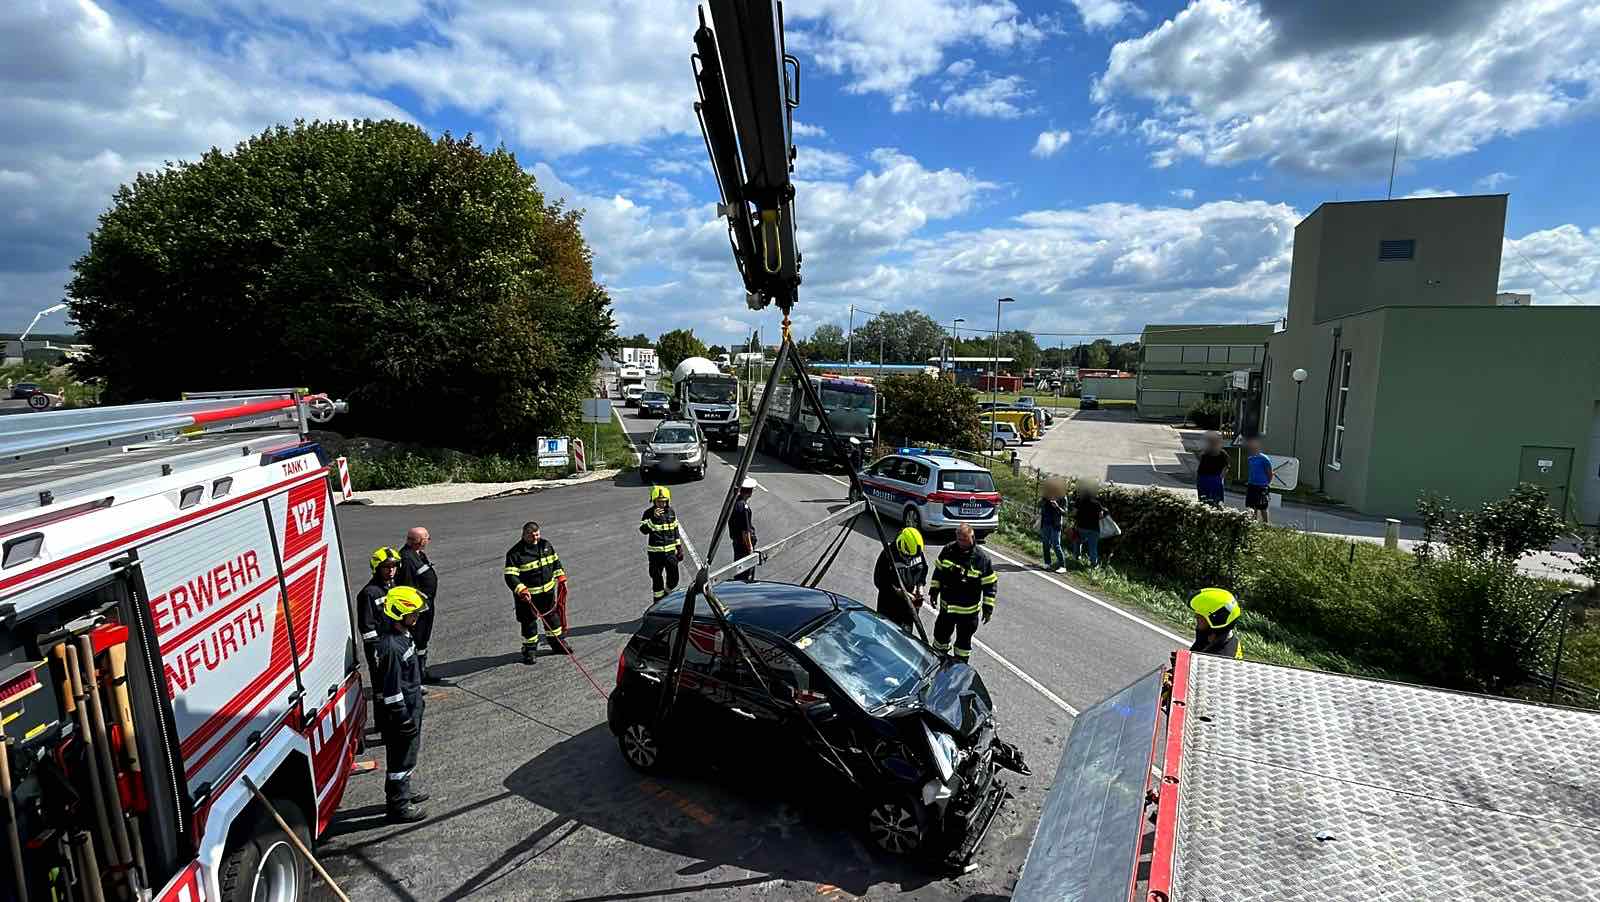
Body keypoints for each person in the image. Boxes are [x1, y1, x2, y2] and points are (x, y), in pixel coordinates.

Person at [374, 586, 430, 823]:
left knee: (408, 754)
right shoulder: (391, 648)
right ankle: (399, 806)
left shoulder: (403, 636)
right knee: (400, 758)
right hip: (401, 713)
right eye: (413, 613)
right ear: (398, 613)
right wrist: (402, 718)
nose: (416, 616)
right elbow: (392, 691)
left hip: (411, 705)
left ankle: (404, 790)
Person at [928, 524, 997, 661]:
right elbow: (939, 572)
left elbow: (990, 585)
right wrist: (934, 591)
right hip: (946, 609)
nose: (961, 543)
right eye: (959, 539)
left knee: (963, 646)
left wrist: (988, 608)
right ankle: (937, 663)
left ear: (972, 537)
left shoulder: (981, 559)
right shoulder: (948, 550)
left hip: (968, 614)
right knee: (940, 639)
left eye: (964, 540)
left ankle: (959, 667)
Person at [504, 521, 570, 662]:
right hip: (528, 598)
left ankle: (558, 645)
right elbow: (510, 576)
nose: (535, 538)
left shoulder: (546, 545)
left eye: (537, 534)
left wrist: (561, 576)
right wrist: (521, 589)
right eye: (532, 536)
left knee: (553, 621)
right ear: (524, 535)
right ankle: (530, 650)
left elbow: (555, 562)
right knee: (529, 624)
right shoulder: (515, 553)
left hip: (547, 594)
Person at [357, 547, 402, 722]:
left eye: (394, 566)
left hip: (396, 643)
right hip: (380, 649)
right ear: (377, 568)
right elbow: (367, 627)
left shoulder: (394, 586)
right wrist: (377, 652)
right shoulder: (369, 593)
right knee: (382, 690)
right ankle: (383, 726)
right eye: (386, 566)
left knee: (396, 684)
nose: (391, 570)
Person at [397, 526, 439, 683]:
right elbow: (408, 587)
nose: (429, 540)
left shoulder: (419, 555)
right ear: (420, 541)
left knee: (423, 640)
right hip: (417, 610)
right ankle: (414, 676)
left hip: (426, 607)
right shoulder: (407, 559)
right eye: (427, 538)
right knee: (416, 640)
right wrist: (414, 610)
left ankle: (422, 672)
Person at [874, 527, 929, 633]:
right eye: (908, 555)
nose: (909, 559)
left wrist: (920, 586)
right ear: (902, 545)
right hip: (888, 607)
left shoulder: (916, 552)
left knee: (904, 640)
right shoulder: (887, 556)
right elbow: (880, 581)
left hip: (908, 609)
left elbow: (923, 569)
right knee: (884, 636)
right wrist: (900, 593)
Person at [640, 485, 685, 605]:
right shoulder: (648, 513)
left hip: (670, 554)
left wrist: (679, 547)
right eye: (659, 501)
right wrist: (653, 519)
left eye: (664, 501)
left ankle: (666, 594)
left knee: (674, 579)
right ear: (653, 501)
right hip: (655, 554)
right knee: (657, 580)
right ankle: (658, 604)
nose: (662, 504)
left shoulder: (671, 512)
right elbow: (643, 530)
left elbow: (675, 530)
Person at [1189, 587, 1243, 658]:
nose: (1196, 616)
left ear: (1217, 621)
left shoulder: (1218, 658)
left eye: (1200, 616)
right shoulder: (1212, 639)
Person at [729, 477, 758, 581]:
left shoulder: (735, 502)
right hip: (743, 545)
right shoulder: (743, 507)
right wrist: (750, 548)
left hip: (737, 543)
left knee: (739, 569)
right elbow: (745, 531)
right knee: (745, 572)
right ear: (749, 491)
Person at [1071, 482, 1104, 567]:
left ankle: (1076, 557)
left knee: (1077, 542)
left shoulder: (1079, 501)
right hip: (1094, 529)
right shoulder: (1097, 503)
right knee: (1093, 547)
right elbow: (1101, 516)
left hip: (1081, 527)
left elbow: (1074, 513)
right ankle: (1094, 564)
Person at [1038, 479, 1067, 573]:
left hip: (1056, 524)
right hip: (1046, 522)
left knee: (1056, 545)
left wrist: (1057, 506)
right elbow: (1039, 505)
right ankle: (1047, 563)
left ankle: (1062, 566)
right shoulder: (1046, 496)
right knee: (1045, 543)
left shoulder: (1063, 497)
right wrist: (1043, 500)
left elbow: (1065, 512)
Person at [1244, 436, 1275, 523]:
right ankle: (1254, 523)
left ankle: (1266, 524)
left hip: (1261, 487)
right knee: (1252, 507)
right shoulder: (1250, 458)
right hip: (1251, 485)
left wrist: (1266, 484)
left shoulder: (1264, 459)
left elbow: (1269, 473)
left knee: (1262, 507)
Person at [1196, 431, 1229, 506]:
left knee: (1216, 500)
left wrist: (1221, 477)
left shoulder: (1222, 454)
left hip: (1214, 478)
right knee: (1204, 499)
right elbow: (1199, 458)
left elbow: (1226, 466)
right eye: (1211, 441)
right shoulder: (1206, 452)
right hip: (1203, 478)